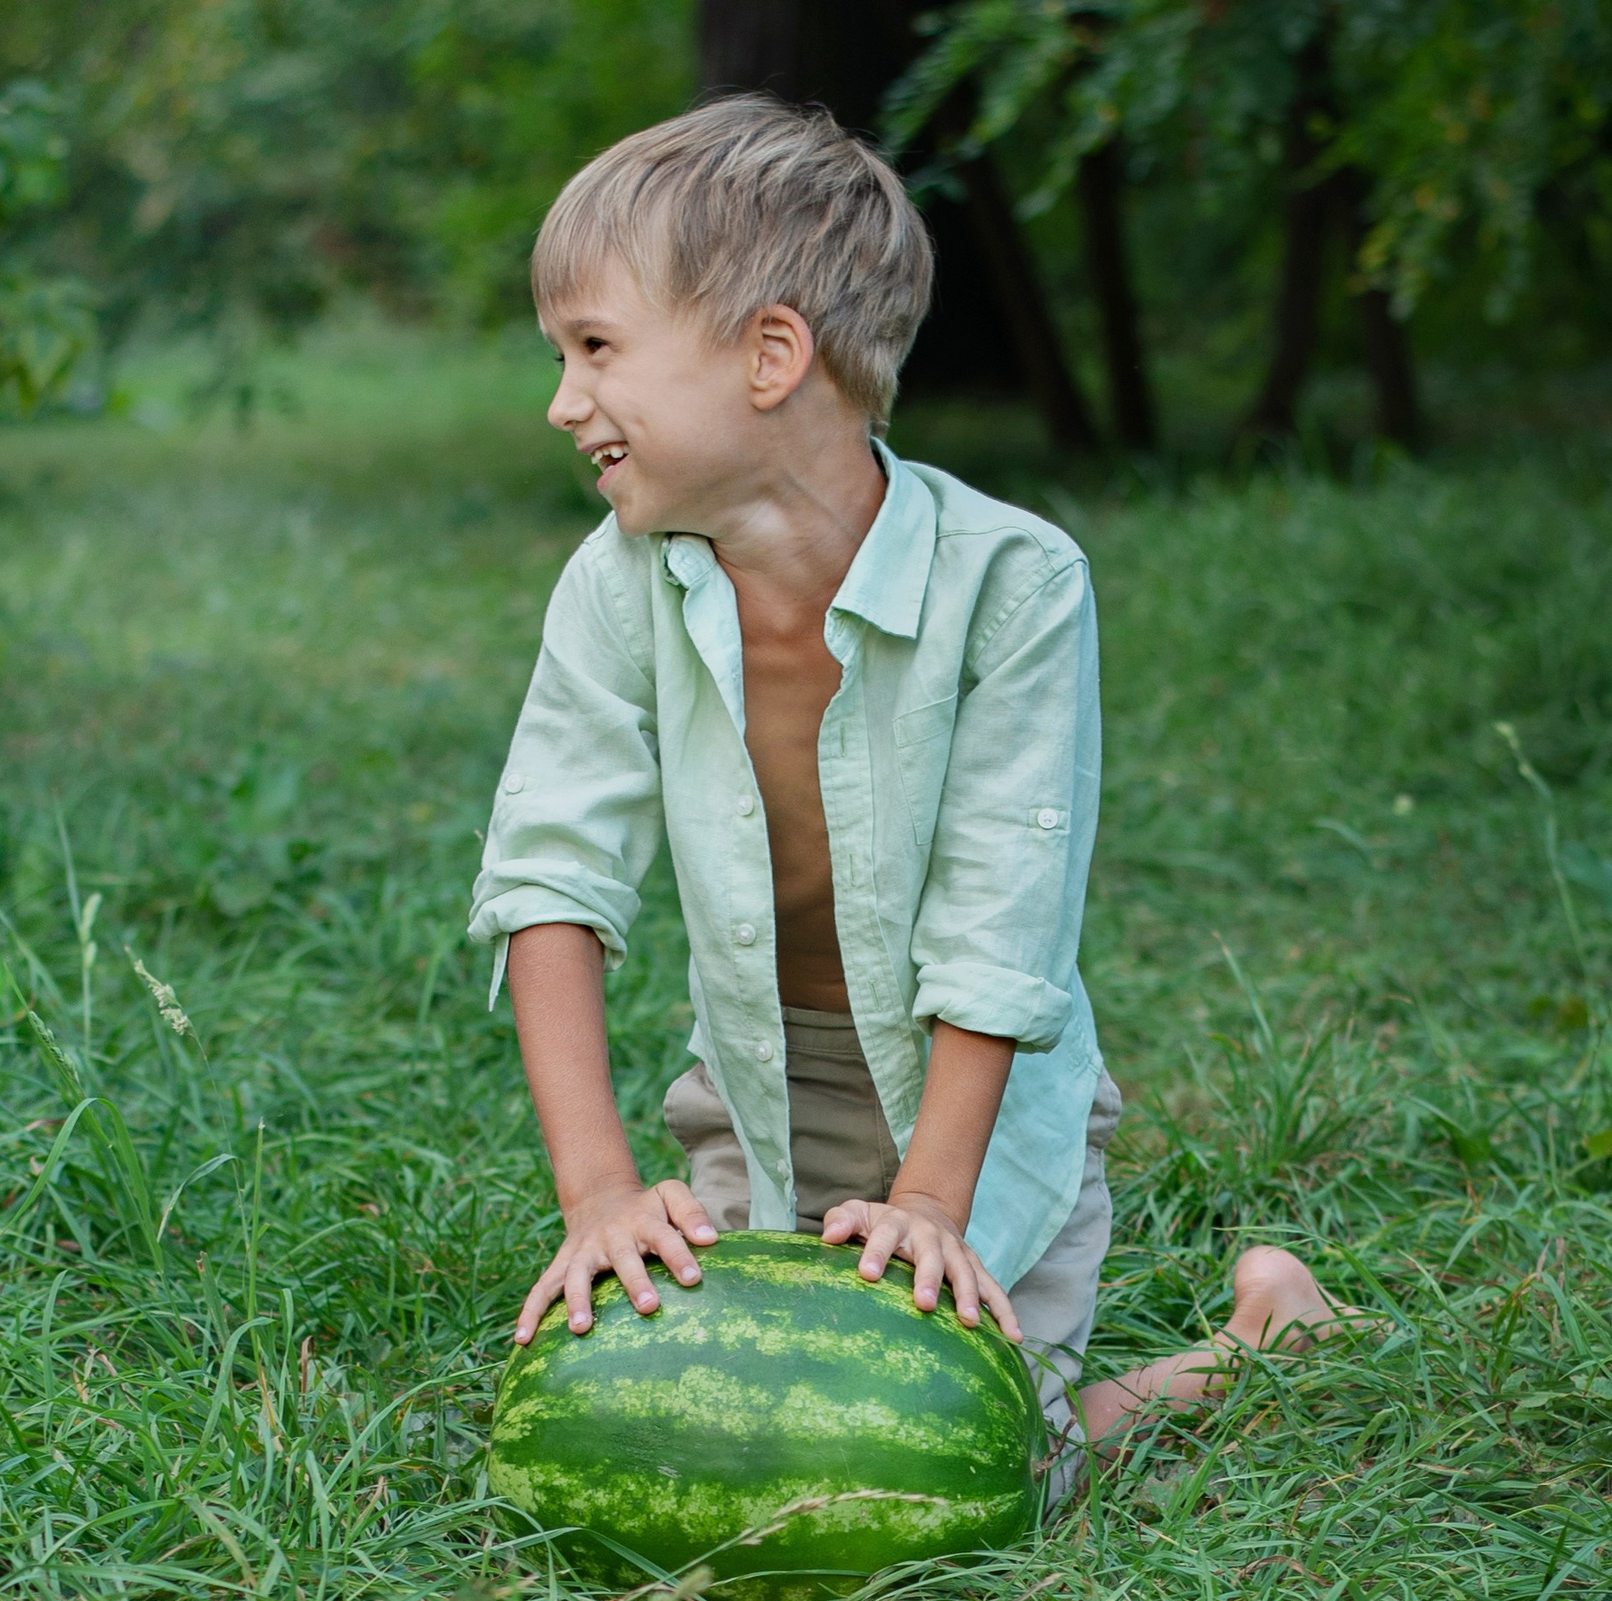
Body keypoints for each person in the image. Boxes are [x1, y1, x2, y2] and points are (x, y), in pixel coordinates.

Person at [469, 96, 1346, 1495]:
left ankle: (1260, 1344)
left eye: (595, 348)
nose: (565, 401)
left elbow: (1007, 919)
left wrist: (932, 1203)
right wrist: (603, 1196)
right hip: (761, 1093)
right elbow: (549, 877)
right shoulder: (617, 580)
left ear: (770, 352)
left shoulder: (1013, 583)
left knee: (975, 1468)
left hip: (977, 1115)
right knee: (748, 1447)